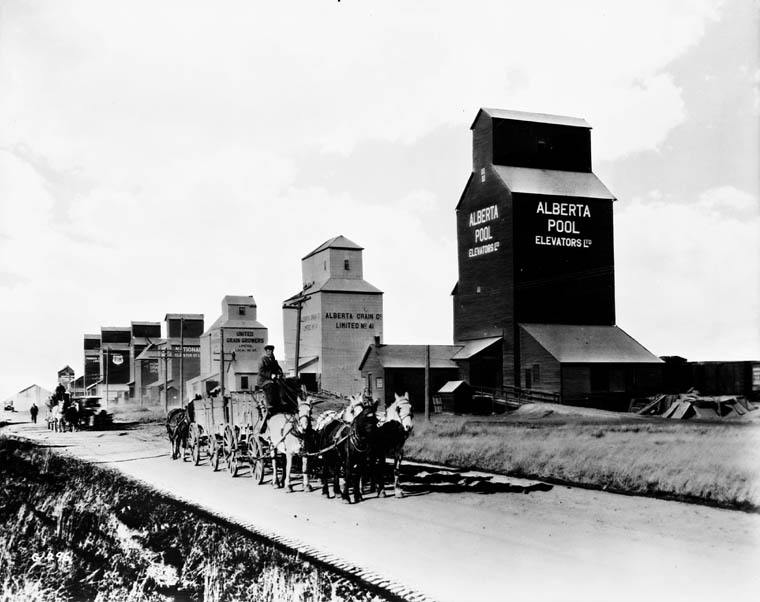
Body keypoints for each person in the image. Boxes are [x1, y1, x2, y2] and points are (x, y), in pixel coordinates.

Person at [257, 344, 283, 433]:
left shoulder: (274, 360)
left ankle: (280, 402)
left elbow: (279, 368)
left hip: (273, 379)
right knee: (271, 386)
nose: (270, 352)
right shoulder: (263, 360)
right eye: (268, 351)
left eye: (271, 351)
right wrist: (270, 375)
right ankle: (271, 404)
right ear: (266, 351)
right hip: (264, 380)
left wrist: (280, 373)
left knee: (283, 385)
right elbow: (261, 371)